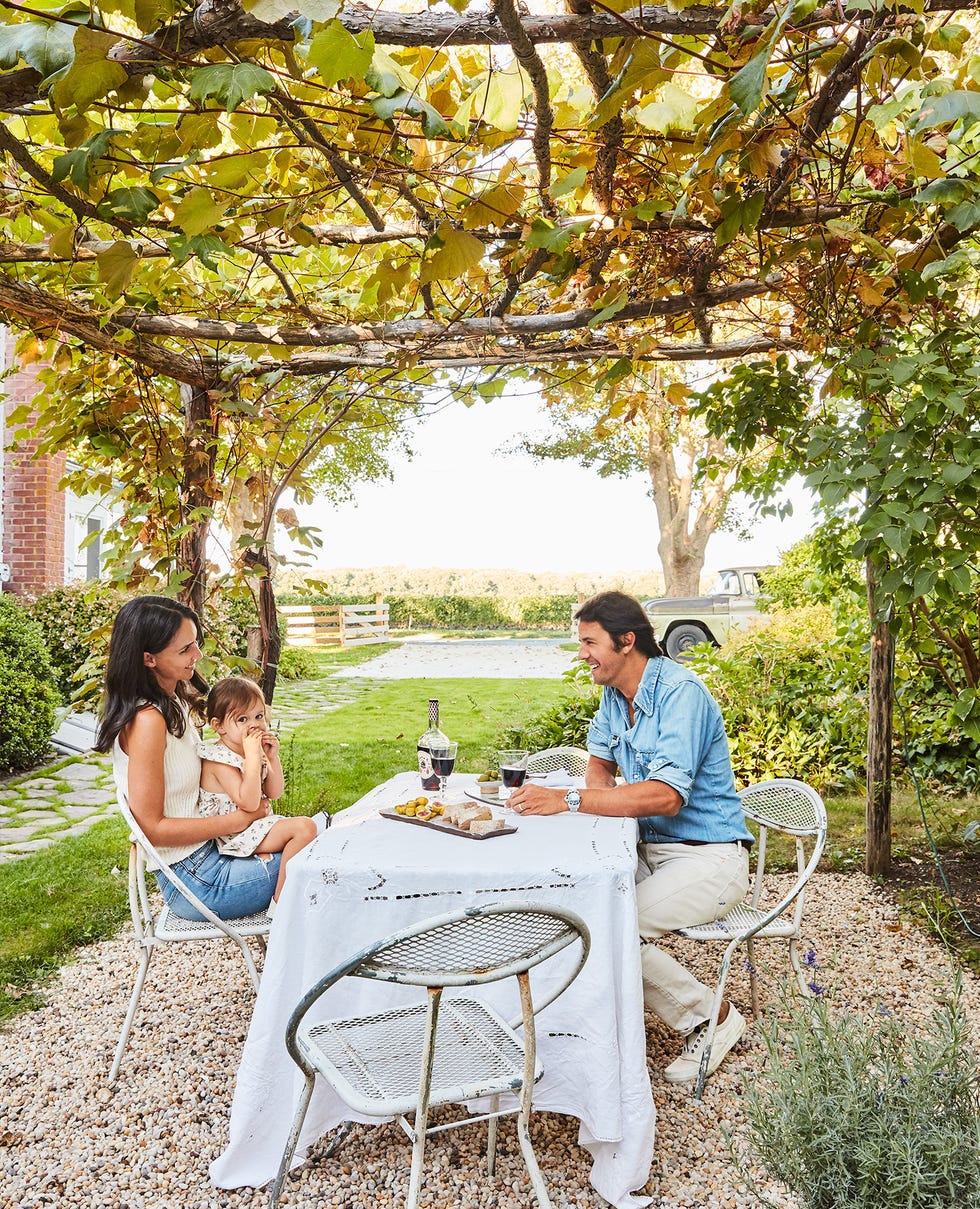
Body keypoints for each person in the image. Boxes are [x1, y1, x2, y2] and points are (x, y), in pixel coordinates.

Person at [505, 590, 754, 1085]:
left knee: (608, 924)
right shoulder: (615, 694)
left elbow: (664, 797)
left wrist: (572, 801)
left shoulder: (681, 694)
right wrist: (600, 802)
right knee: (572, 904)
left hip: (710, 860)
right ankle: (581, 1028)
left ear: (626, 641)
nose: (582, 653)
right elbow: (599, 761)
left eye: (589, 642)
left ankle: (713, 1018)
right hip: (644, 849)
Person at [95, 596, 300, 922]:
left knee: (318, 842)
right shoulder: (148, 721)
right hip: (197, 880)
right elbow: (152, 829)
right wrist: (239, 821)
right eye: (185, 649)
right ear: (149, 659)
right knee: (318, 861)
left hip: (212, 854)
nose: (198, 655)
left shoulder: (173, 700)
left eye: (196, 644)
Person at [198, 676, 316, 911]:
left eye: (258, 716)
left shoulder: (250, 750)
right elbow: (250, 803)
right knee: (304, 828)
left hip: (254, 826)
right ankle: (281, 904)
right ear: (218, 725)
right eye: (242, 719)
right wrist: (253, 758)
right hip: (233, 835)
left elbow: (275, 792)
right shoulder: (219, 760)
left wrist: (272, 758)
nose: (254, 724)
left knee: (314, 831)